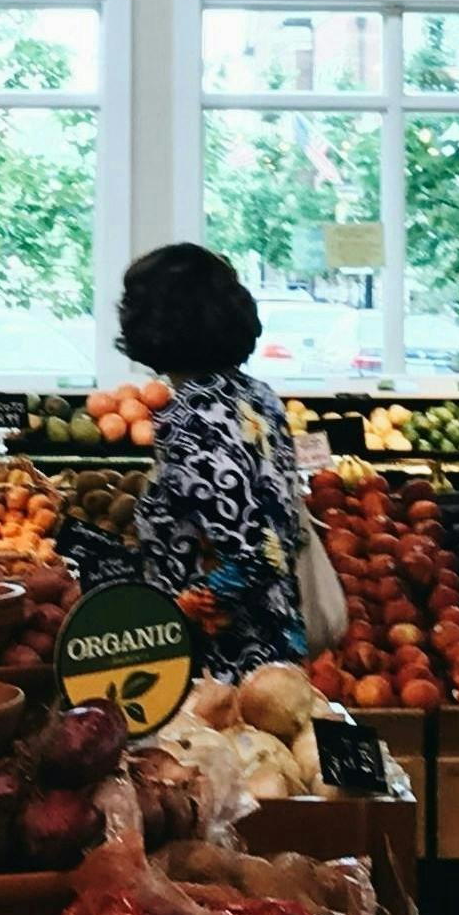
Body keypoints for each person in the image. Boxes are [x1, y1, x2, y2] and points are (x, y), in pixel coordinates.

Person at [119, 243, 309, 678]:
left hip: (221, 668)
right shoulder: (259, 398)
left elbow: (251, 556)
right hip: (277, 651)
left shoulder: (191, 420)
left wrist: (170, 614)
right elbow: (276, 530)